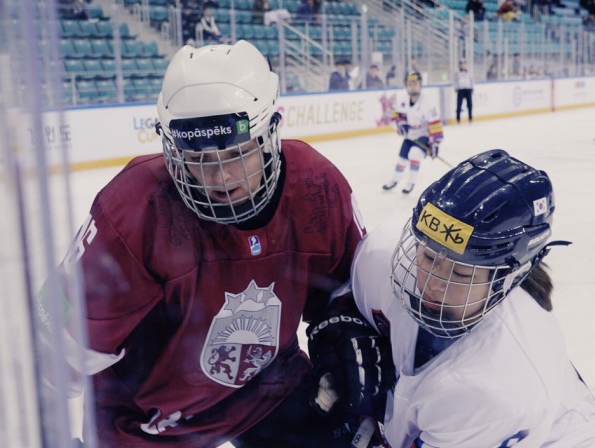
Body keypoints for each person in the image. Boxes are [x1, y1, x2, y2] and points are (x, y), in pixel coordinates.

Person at [30, 41, 374, 447]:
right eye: (199, 158)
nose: (221, 177)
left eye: (239, 153)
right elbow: (59, 347)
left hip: (267, 388)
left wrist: (342, 332)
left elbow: (348, 290)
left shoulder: (317, 188)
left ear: (270, 133)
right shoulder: (134, 211)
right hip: (145, 424)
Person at [345, 149, 595, 447]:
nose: (434, 284)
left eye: (461, 274)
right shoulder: (381, 255)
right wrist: (340, 329)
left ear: (509, 276)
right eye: (427, 256)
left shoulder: (497, 384)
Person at [382, 72, 443, 195]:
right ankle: (395, 179)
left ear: (420, 85)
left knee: (414, 154)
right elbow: (395, 115)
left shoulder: (428, 101)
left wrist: (435, 143)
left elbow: (435, 123)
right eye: (410, 84)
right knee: (402, 158)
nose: (412, 86)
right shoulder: (402, 98)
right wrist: (401, 125)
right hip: (410, 133)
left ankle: (411, 181)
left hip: (424, 134)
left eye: (415, 83)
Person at [452, 60, 474, 124]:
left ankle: (470, 118)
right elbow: (455, 81)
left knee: (469, 104)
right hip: (460, 90)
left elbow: (472, 80)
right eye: (462, 64)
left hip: (468, 89)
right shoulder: (457, 73)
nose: (463, 65)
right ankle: (458, 119)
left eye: (464, 64)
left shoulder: (469, 72)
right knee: (459, 104)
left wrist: (472, 88)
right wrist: (455, 88)